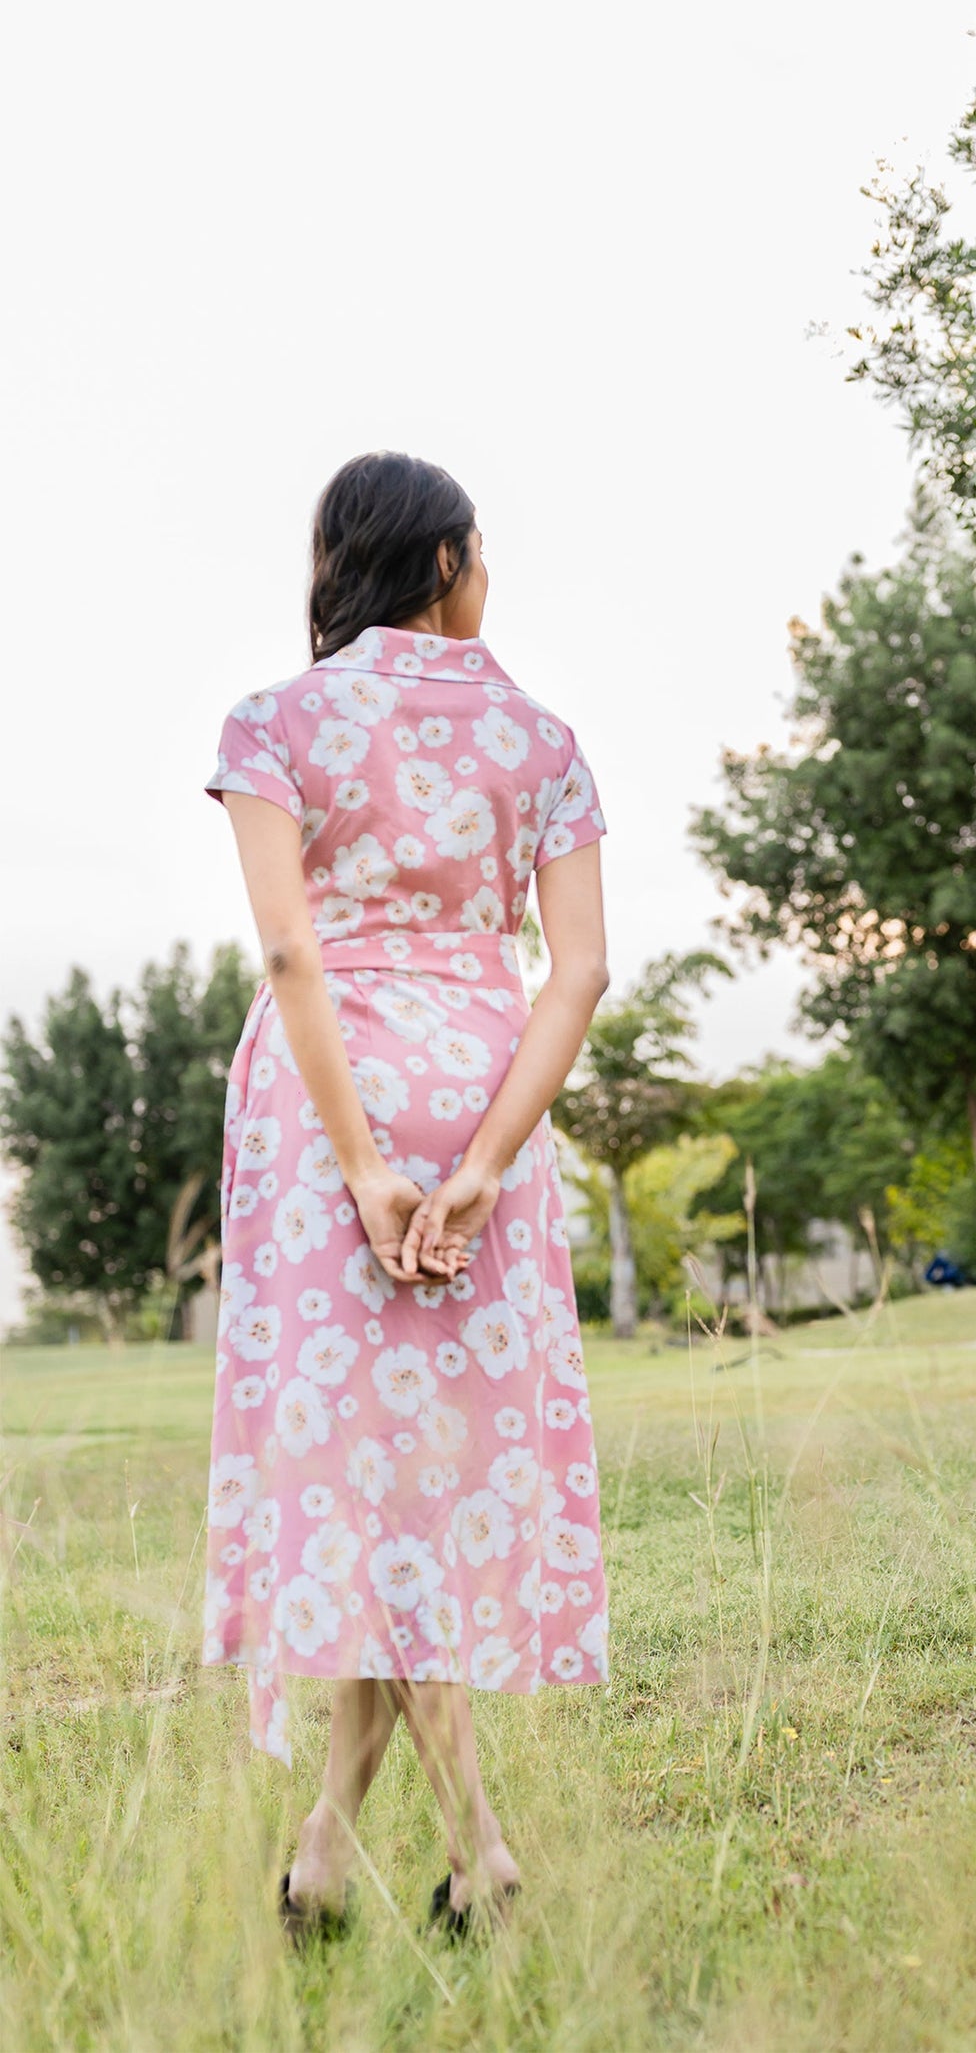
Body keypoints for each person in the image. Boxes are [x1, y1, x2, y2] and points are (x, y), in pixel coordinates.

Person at [201, 450, 612, 1944]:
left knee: (370, 1491)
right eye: (479, 551)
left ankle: (442, 1855)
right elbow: (578, 972)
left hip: (328, 1111)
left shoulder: (274, 724)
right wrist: (487, 1161)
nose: (485, 573)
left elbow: (295, 957)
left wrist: (369, 1165)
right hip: (487, 1081)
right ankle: (378, 1852)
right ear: (441, 563)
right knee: (427, 1486)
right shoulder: (543, 737)